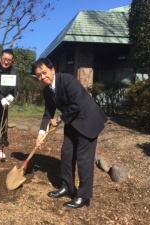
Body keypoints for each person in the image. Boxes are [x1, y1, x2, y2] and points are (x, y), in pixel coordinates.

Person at [32, 58, 107, 208]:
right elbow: (48, 112)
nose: (42, 77)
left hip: (87, 120)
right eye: (39, 75)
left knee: (83, 159)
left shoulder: (67, 80)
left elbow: (76, 104)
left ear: (52, 70)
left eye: (44, 73)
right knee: (66, 154)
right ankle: (67, 187)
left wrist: (59, 119)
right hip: (72, 121)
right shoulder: (47, 91)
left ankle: (84, 196)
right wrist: (40, 134)